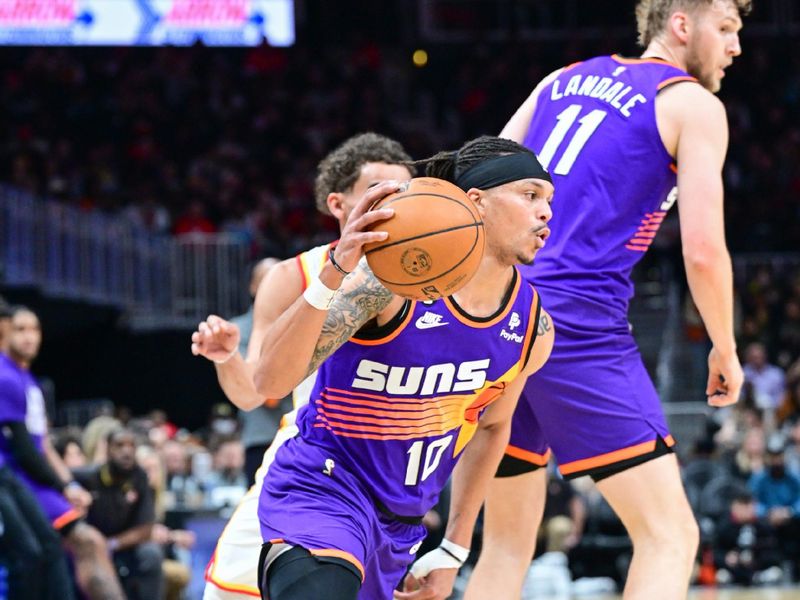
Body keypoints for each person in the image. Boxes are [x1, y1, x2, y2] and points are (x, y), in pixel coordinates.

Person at [467, 1, 750, 598]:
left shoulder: (559, 80)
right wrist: (725, 345)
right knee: (669, 535)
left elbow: (474, 180)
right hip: (573, 323)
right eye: (725, 29)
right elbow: (701, 249)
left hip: (497, 315)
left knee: (507, 546)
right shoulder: (692, 104)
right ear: (681, 25)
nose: (735, 46)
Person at [251, 135, 555, 600]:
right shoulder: (385, 284)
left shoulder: (533, 326)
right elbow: (269, 381)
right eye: (530, 195)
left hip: (402, 524)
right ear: (476, 203)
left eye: (549, 199)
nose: (545, 212)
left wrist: (454, 547)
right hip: (323, 489)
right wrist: (334, 271)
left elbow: (493, 427)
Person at [192, 132, 415, 600]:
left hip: (394, 476)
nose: (396, 202)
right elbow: (255, 393)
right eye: (381, 191)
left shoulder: (435, 276)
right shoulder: (294, 276)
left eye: (406, 191)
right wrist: (228, 357)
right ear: (339, 203)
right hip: (313, 468)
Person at [0, 306, 126, 600]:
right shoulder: (6, 377)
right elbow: (25, 451)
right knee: (81, 542)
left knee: (74, 546)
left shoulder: (29, 382)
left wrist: (70, 484)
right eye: (21, 329)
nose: (30, 337)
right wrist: (64, 488)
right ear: (4, 332)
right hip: (18, 479)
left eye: (35, 329)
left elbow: (43, 444)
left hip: (33, 481)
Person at [73, 427, 163, 600]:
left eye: (131, 446)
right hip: (90, 545)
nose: (126, 451)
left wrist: (111, 544)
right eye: (119, 445)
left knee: (151, 553)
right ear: (108, 449)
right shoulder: (87, 477)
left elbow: (146, 529)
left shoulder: (140, 477)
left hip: (122, 546)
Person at [231, 257, 285, 486]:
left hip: (306, 439)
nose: (274, 286)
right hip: (262, 440)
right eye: (266, 280)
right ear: (252, 287)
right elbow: (266, 391)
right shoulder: (237, 330)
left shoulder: (307, 321)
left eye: (279, 279)